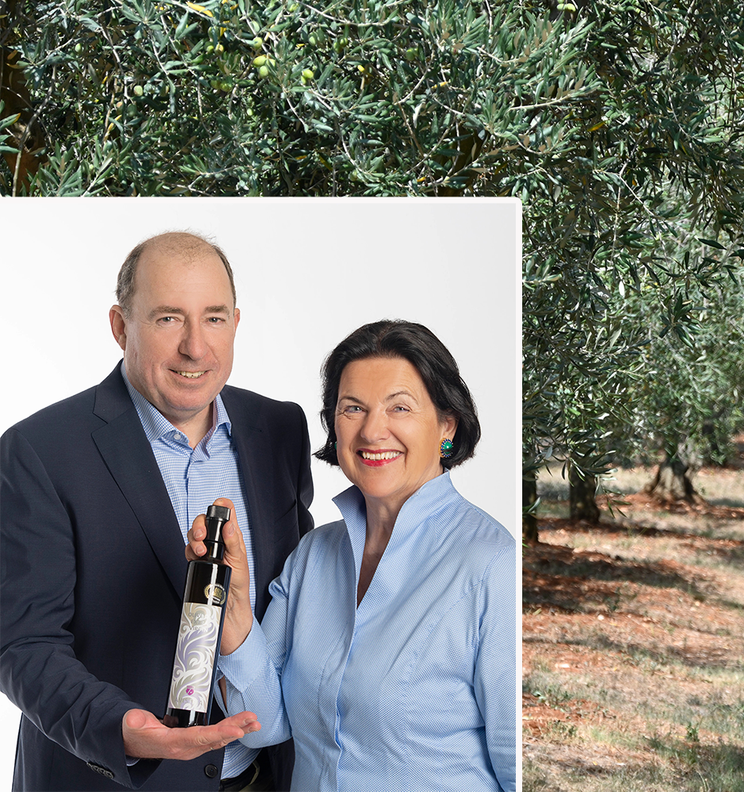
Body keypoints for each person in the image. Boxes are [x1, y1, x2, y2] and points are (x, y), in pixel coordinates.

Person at [0, 232, 316, 790]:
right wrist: (120, 727)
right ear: (120, 327)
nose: (196, 347)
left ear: (236, 322)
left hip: (260, 777)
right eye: (169, 318)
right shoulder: (40, 450)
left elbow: (297, 602)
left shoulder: (280, 429)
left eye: (214, 318)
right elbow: (23, 643)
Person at [188, 320, 516, 791]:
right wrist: (234, 603)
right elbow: (263, 724)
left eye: (399, 407)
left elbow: (515, 763)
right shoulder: (313, 556)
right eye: (353, 408)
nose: (373, 430)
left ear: (447, 425)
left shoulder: (492, 565)